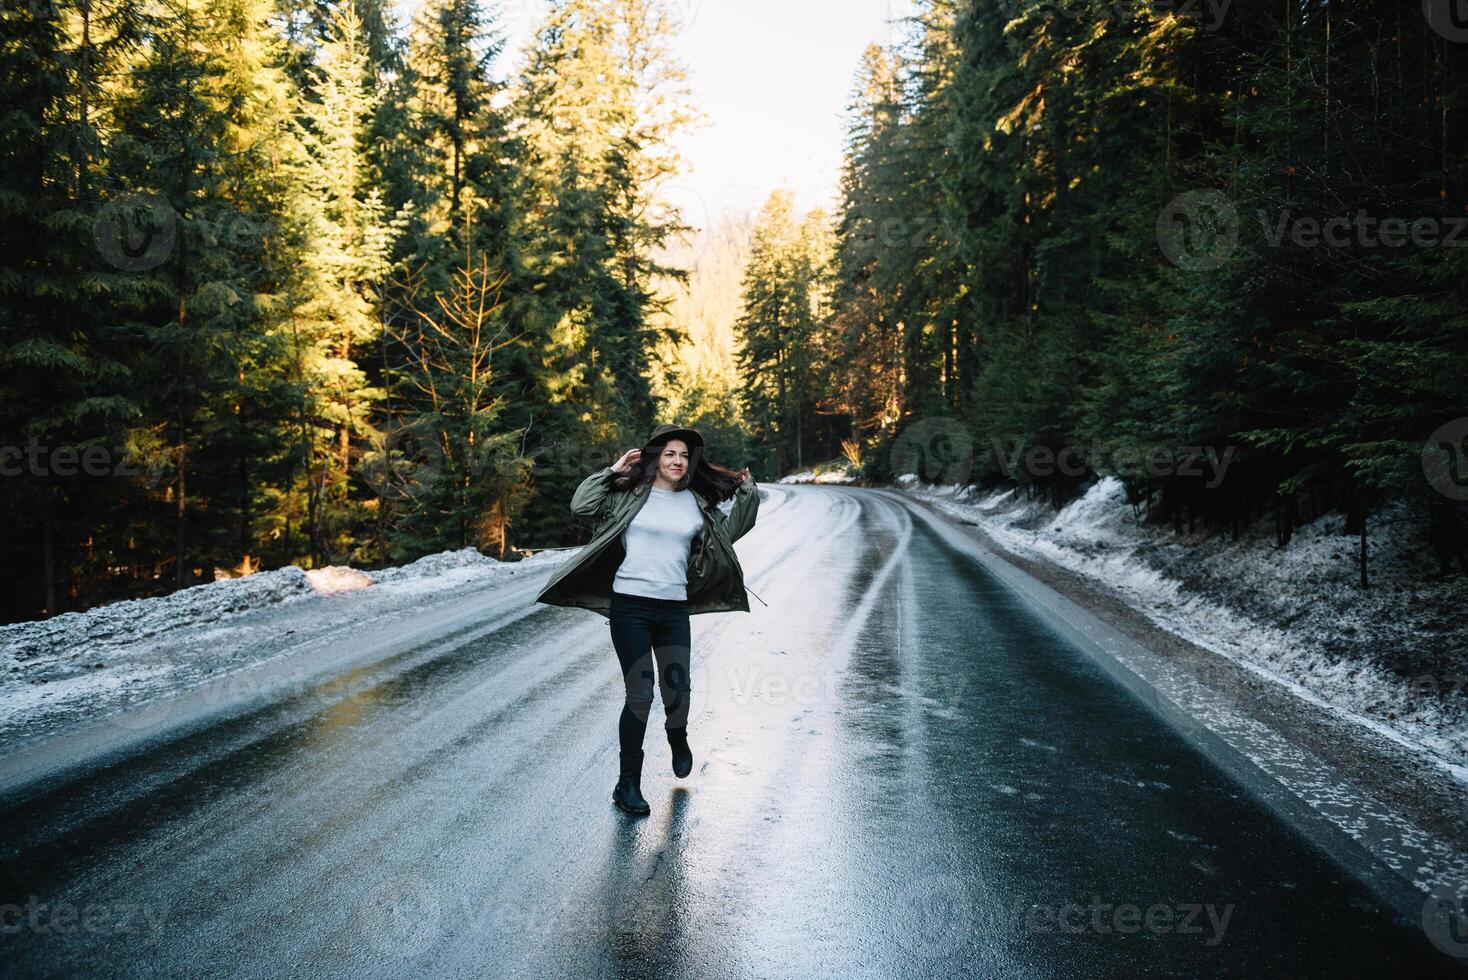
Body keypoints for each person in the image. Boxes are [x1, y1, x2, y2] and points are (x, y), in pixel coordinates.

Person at [535, 424, 760, 816]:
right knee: (640, 694)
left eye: (684, 455)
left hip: (673, 609)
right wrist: (612, 472)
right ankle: (628, 784)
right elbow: (581, 506)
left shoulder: (695, 503)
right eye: (670, 453)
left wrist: (747, 493)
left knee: (678, 692)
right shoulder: (628, 496)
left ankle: (678, 736)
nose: (678, 461)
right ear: (656, 457)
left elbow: (730, 532)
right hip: (630, 608)